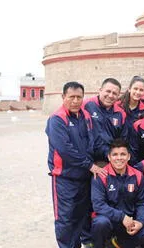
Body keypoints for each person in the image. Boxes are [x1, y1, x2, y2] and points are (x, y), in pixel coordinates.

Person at [46, 81, 106, 248]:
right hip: (64, 179)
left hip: (84, 178)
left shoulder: (86, 116)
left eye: (79, 97)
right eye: (71, 97)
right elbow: (65, 150)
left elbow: (94, 142)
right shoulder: (56, 119)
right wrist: (90, 165)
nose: (75, 101)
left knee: (81, 216)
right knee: (65, 220)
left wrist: (111, 154)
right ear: (63, 97)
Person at [91, 139, 144, 248]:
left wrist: (139, 222)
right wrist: (121, 217)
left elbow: (143, 203)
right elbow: (98, 205)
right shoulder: (101, 176)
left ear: (129, 156)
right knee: (100, 223)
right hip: (110, 221)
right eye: (115, 154)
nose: (119, 158)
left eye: (123, 154)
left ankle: (119, 244)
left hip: (130, 221)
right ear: (109, 157)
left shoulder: (138, 175)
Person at [84, 78, 128, 163]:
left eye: (114, 93)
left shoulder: (120, 114)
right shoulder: (86, 105)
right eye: (108, 91)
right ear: (100, 90)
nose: (111, 95)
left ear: (118, 95)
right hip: (86, 159)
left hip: (107, 160)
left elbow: (122, 140)